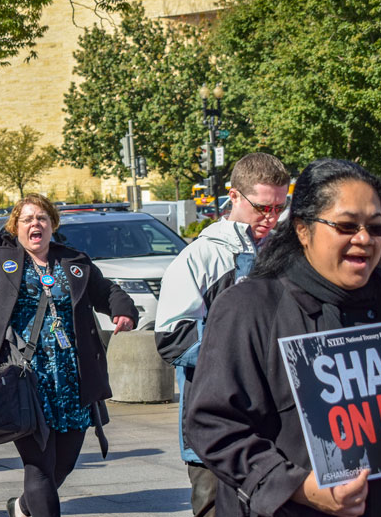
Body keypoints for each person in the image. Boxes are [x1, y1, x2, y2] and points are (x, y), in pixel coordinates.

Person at [0, 136, 137, 517]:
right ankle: (36, 505)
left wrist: (123, 309)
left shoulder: (73, 261)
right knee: (39, 467)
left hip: (71, 380)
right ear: (16, 227)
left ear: (52, 224)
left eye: (41, 218)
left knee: (65, 462)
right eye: (27, 219)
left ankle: (24, 507)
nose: (34, 224)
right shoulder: (0, 257)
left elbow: (104, 291)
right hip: (25, 378)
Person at [185, 158, 381, 516]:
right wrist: (295, 487)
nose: (364, 239)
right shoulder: (249, 307)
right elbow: (212, 424)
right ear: (303, 230)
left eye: (376, 227)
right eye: (346, 226)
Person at [154, 152, 290, 516]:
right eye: (262, 207)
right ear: (233, 197)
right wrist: (247, 356)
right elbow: (172, 339)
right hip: (216, 419)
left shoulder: (286, 253)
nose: (271, 217)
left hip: (279, 419)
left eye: (280, 206)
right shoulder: (200, 256)